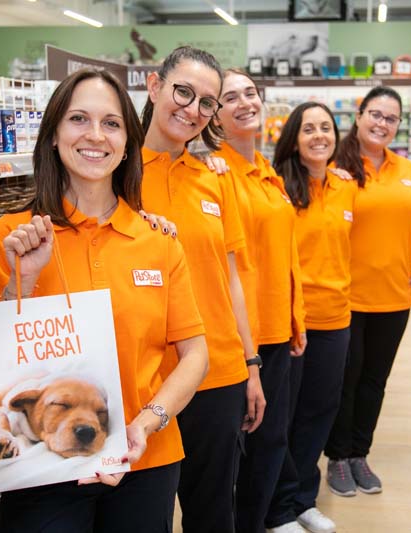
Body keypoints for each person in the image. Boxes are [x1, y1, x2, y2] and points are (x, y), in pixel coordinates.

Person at [0, 69, 209, 532]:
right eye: (79, 119)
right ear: (54, 134)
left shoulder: (158, 241)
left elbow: (195, 355)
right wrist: (23, 284)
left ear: (127, 142)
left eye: (112, 123)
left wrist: (146, 424)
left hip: (146, 461)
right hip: (42, 471)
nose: (95, 136)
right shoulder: (11, 238)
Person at [140, 46, 264, 533]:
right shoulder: (114, 172)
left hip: (217, 375)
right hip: (145, 380)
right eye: (182, 92)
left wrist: (251, 365)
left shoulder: (216, 179)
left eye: (206, 102)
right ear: (154, 87)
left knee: (213, 513)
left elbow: (229, 276)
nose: (192, 109)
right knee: (145, 514)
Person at [325, 86, 411, 497]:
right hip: (345, 298)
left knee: (375, 380)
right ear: (359, 115)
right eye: (375, 114)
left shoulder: (408, 171)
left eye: (391, 118)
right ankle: (337, 458)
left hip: (394, 298)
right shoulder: (335, 166)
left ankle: (359, 453)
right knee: (345, 380)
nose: (382, 123)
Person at [213, 68, 307, 533]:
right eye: (231, 97)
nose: (245, 102)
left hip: (274, 328)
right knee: (240, 450)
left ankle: (259, 522)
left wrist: (296, 318)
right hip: (239, 335)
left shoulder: (267, 171)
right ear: (214, 112)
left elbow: (284, 253)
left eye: (250, 93)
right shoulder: (217, 172)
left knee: (270, 443)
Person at [266, 102, 357, 533]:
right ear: (294, 138)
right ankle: (279, 507)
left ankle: (304, 499)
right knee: (282, 418)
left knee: (319, 413)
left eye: (326, 128)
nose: (319, 135)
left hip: (336, 319)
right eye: (308, 129)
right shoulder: (279, 187)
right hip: (291, 323)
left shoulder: (346, 187)